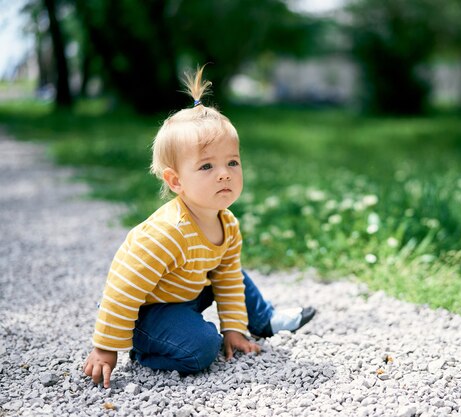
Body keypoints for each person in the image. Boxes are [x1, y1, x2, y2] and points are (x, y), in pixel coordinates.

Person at [83, 65, 315, 388]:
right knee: (203, 348)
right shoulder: (167, 233)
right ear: (176, 181)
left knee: (229, 271)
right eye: (207, 166)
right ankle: (145, 348)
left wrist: (233, 328)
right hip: (147, 309)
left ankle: (263, 319)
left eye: (232, 162)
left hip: (186, 292)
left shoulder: (227, 223)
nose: (224, 174)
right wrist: (105, 348)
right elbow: (124, 287)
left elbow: (229, 280)